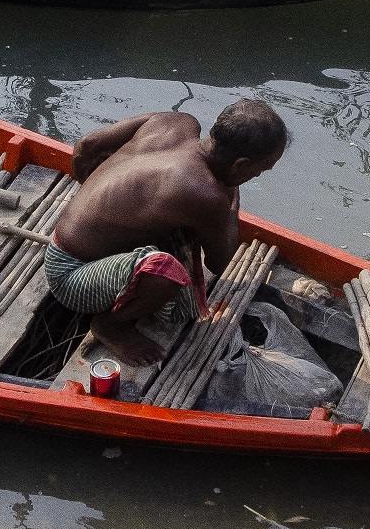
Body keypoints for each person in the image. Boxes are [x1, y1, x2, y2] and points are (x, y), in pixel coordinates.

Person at [44, 99, 289, 365]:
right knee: (165, 275)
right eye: (259, 170)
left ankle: (121, 274)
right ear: (240, 165)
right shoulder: (205, 193)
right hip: (71, 276)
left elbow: (88, 145)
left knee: (178, 227)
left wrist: (93, 195)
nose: (257, 176)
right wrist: (232, 202)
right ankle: (110, 326)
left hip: (66, 240)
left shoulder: (177, 121)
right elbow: (220, 262)